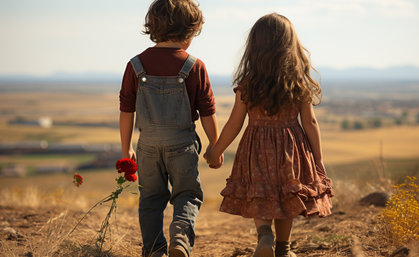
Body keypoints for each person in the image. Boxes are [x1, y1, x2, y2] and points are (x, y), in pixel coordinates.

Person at [204, 13, 333, 257]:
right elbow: (310, 122)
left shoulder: (248, 84)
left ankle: (264, 234)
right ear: (290, 46)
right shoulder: (298, 83)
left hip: (256, 147)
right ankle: (283, 249)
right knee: (287, 194)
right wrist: (318, 159)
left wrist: (215, 151)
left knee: (260, 192)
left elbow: (234, 123)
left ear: (255, 46)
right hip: (291, 147)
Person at [119, 1, 221, 256]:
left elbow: (126, 110)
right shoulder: (194, 66)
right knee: (187, 193)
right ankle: (180, 235)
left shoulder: (135, 65)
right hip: (182, 145)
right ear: (189, 31)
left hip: (148, 146)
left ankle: (154, 249)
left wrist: (126, 148)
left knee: (151, 199)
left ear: (153, 27)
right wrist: (215, 147)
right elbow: (208, 111)